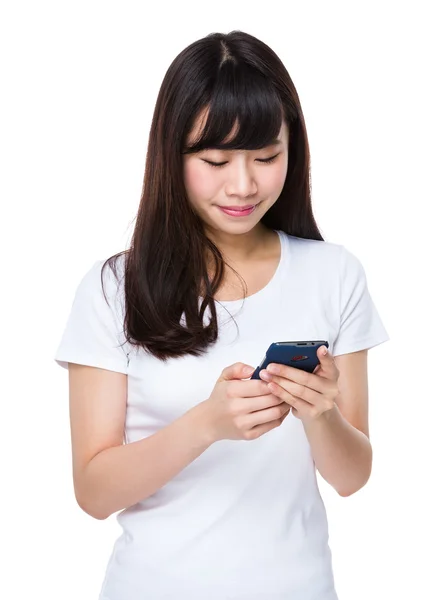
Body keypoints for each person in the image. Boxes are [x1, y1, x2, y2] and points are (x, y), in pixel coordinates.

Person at [54, 30, 389, 600]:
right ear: (171, 154)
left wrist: (320, 413)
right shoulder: (114, 289)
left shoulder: (334, 274)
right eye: (215, 160)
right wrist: (207, 424)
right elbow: (93, 492)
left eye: (265, 156)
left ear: (293, 150)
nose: (243, 184)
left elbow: (353, 478)